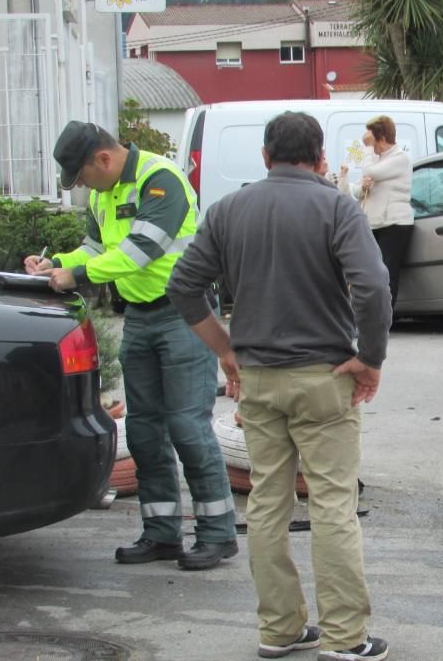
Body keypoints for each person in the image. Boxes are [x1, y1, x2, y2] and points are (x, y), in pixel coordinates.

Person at [166, 111, 392, 661]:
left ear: (265, 157)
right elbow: (373, 285)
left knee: (267, 503)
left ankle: (280, 629)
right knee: (334, 505)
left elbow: (183, 286)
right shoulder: (336, 206)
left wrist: (226, 351)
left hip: (258, 381)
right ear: (319, 161)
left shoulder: (228, 210)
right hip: (324, 379)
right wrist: (369, 357)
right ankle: (344, 637)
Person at [26, 121, 237, 571]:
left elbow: (144, 248)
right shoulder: (104, 194)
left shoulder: (159, 179)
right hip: (140, 318)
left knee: (187, 428)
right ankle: (161, 533)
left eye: (82, 177)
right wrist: (57, 263)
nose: (82, 187)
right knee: (144, 431)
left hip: (185, 315)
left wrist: (77, 276)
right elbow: (94, 248)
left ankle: (217, 533)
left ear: (103, 159)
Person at [338, 115, 413, 307]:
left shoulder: (400, 158)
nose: (372, 147)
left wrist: (367, 148)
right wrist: (355, 184)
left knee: (388, 272)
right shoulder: (377, 160)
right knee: (371, 272)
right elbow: (359, 189)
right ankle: (369, 313)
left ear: (382, 138)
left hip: (394, 223)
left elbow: (371, 172)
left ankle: (386, 318)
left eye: (373, 142)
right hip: (375, 223)